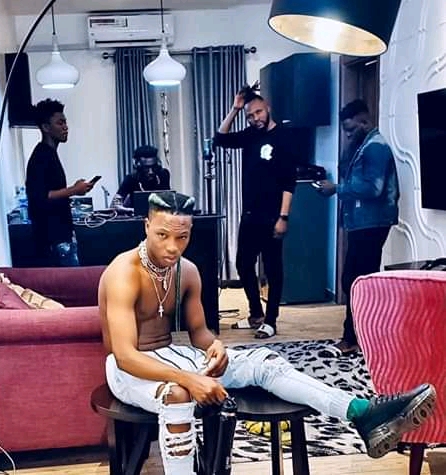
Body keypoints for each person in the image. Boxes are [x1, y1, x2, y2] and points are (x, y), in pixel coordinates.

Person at [98, 190, 435, 475]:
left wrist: (215, 347)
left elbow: (199, 331)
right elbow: (125, 355)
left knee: (264, 362)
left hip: (174, 357)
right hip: (128, 369)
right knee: (178, 394)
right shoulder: (123, 272)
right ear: (146, 226)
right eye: (162, 235)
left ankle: (362, 413)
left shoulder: (187, 271)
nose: (173, 246)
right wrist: (190, 380)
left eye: (182, 237)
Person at [315, 99, 400, 357]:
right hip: (362, 224)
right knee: (353, 280)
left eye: (351, 129)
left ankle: (353, 338)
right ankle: (361, 335)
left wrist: (336, 189)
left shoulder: (376, 147)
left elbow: (373, 188)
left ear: (365, 121)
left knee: (357, 281)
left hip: (372, 224)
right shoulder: (363, 146)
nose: (348, 135)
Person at [212, 82, 297, 339]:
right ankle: (256, 313)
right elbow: (220, 138)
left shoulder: (284, 137)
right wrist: (235, 109)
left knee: (273, 270)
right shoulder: (250, 135)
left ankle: (271, 321)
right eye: (250, 115)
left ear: (267, 108)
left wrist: (283, 217)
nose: (255, 118)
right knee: (243, 264)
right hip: (250, 215)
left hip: (273, 216)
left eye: (258, 112)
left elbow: (289, 182)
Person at [26, 99, 94, 266]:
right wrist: (74, 190)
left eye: (65, 122)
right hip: (54, 241)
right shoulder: (41, 156)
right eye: (60, 123)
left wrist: (76, 188)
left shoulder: (50, 153)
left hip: (61, 236)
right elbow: (41, 196)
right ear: (46, 127)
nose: (65, 127)